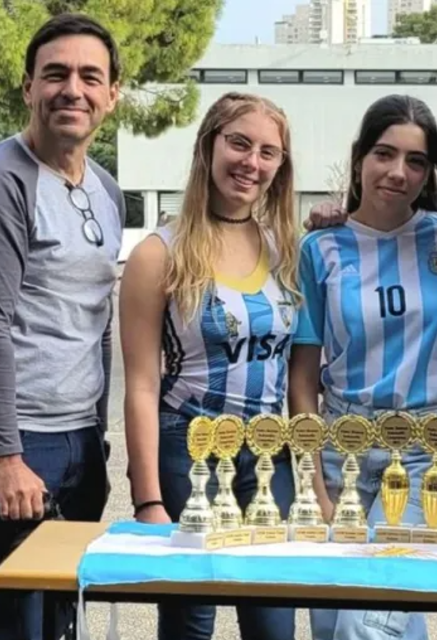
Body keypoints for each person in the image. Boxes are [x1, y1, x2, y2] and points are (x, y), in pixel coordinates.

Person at [0, 13, 123, 640]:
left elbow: (95, 318)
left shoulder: (105, 189)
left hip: (75, 440)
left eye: (90, 76)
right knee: (14, 624)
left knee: (62, 617)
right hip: (7, 442)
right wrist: (5, 457)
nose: (73, 89)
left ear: (112, 94)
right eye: (56, 74)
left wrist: (94, 433)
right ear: (28, 88)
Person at [120, 91, 300, 640]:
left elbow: (298, 370)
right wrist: (147, 497)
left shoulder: (288, 246)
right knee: (189, 621)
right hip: (189, 450)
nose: (252, 162)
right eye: (239, 144)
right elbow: (141, 385)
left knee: (273, 622)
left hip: (272, 458)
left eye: (268, 152)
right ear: (208, 146)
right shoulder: (160, 253)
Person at [289, 94, 437, 640]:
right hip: (339, 449)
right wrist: (311, 481)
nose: (398, 172)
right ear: (359, 157)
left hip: (426, 451)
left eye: (416, 161)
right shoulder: (320, 248)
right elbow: (302, 377)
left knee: (366, 627)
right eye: (385, 154)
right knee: (334, 623)